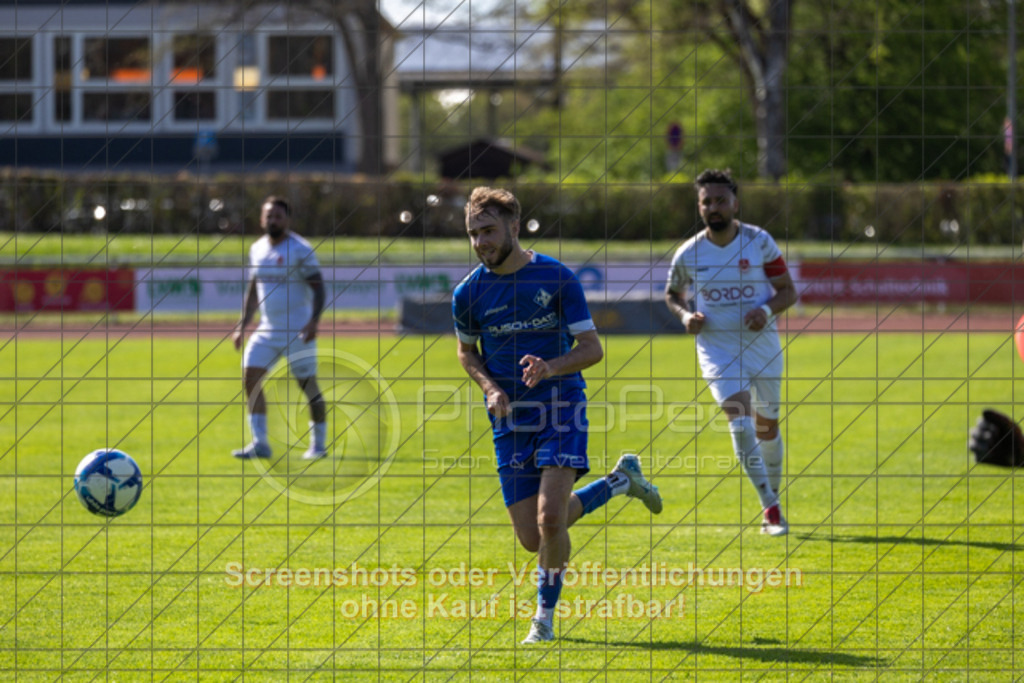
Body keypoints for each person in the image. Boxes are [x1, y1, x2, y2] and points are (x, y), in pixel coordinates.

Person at [452, 187, 663, 644]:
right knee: (532, 537)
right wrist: (489, 388)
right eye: (473, 233)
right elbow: (466, 353)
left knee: (551, 520)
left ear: (513, 226)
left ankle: (542, 620)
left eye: (488, 230)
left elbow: (592, 349)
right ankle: (619, 482)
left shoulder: (557, 278)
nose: (480, 242)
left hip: (561, 404)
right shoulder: (468, 294)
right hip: (509, 419)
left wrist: (550, 366)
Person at [664, 169, 798, 536]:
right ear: (699, 206)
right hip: (717, 349)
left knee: (766, 426)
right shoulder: (689, 253)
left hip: (763, 347)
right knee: (740, 424)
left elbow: (788, 290)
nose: (714, 207)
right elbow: (672, 295)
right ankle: (770, 508)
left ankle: (775, 494)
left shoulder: (759, 242)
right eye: (707, 201)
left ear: (735, 203)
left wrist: (767, 310)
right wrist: (686, 315)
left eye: (721, 200)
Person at [232, 195, 328, 461]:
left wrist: (314, 322)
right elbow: (253, 290)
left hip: (297, 329)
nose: (273, 220)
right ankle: (260, 443)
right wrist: (242, 326)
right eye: (268, 215)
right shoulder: (257, 249)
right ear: (262, 219)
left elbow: (319, 288)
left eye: (278, 216)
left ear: (287, 220)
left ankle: (318, 445)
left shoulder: (300, 249)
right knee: (250, 377)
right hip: (267, 329)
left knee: (308, 386)